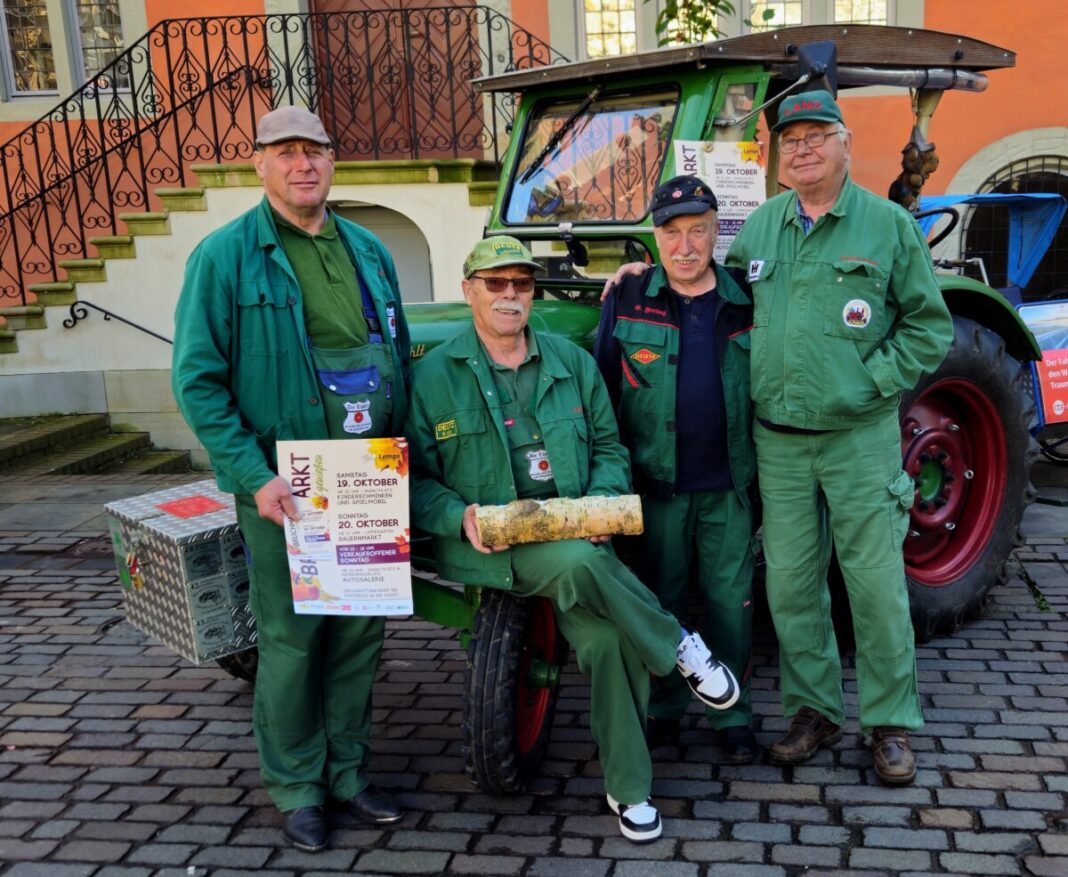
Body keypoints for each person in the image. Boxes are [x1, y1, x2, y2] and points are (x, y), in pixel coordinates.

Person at [405, 235, 740, 843]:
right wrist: (459, 516)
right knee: (583, 563)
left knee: (610, 639)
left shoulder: (573, 363)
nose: (511, 296)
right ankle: (680, 645)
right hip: (493, 546)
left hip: (578, 538)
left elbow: (610, 447)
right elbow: (414, 480)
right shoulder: (432, 377)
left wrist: (602, 503)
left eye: (522, 284)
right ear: (469, 291)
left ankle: (630, 788)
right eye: (496, 283)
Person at [172, 105, 411, 851]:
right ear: (260, 164)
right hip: (288, 487)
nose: (303, 165)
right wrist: (253, 475)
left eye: (316, 152)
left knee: (357, 635)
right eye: (287, 153)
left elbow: (397, 355)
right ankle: (298, 785)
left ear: (333, 161)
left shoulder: (369, 248)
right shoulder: (224, 256)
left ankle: (348, 772)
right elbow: (198, 381)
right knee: (293, 641)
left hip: (368, 475)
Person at [725, 90, 953, 784]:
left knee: (875, 586)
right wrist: (636, 278)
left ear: (845, 144)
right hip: (781, 443)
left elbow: (929, 325)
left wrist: (872, 378)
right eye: (789, 139)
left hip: (858, 439)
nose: (801, 148)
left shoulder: (886, 226)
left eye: (816, 135)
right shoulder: (760, 229)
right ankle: (814, 711)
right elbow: (717, 301)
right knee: (791, 586)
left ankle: (889, 723)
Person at [594, 175, 759, 763]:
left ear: (718, 232)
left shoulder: (745, 298)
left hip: (729, 486)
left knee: (729, 602)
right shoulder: (628, 296)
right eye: (672, 233)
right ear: (654, 238)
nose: (685, 246)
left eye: (698, 231)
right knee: (659, 602)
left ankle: (731, 714)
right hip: (656, 487)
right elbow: (602, 395)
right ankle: (664, 708)